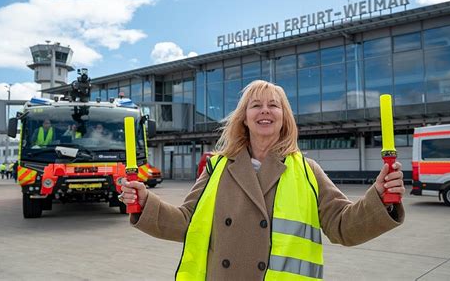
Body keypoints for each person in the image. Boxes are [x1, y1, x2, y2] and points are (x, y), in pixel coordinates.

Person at [121, 80, 405, 280]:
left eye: (274, 106)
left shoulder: (307, 171)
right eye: (256, 105)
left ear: (285, 118)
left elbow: (343, 226)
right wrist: (146, 202)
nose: (265, 110)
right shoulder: (216, 168)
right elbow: (186, 222)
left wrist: (379, 197)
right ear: (244, 117)